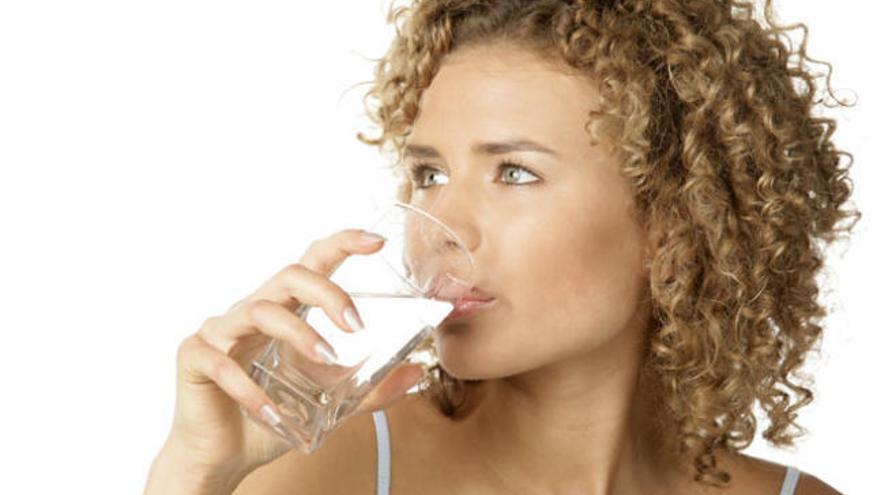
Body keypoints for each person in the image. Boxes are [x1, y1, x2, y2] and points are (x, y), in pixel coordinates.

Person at [143, 0, 859, 494]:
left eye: (514, 172)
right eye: (430, 173)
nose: (439, 225)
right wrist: (195, 473)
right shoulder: (333, 473)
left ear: (674, 230)